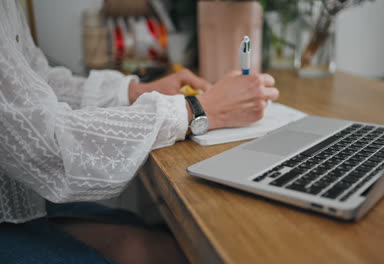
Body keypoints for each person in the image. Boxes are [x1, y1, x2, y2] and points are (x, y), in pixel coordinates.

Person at [0, 1, 279, 264]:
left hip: (27, 201)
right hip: (12, 216)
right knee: (178, 250)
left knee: (165, 244)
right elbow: (45, 145)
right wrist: (197, 109)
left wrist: (135, 92)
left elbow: (39, 82)